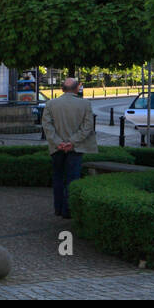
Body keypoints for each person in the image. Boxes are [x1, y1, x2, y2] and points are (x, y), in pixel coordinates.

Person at [41, 76, 98, 218]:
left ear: (62, 89)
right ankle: (69, 210)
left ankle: (58, 208)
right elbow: (87, 127)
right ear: (77, 88)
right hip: (76, 148)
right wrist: (72, 142)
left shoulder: (51, 104)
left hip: (57, 148)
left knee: (58, 178)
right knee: (73, 179)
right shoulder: (85, 104)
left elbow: (47, 126)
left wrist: (58, 142)